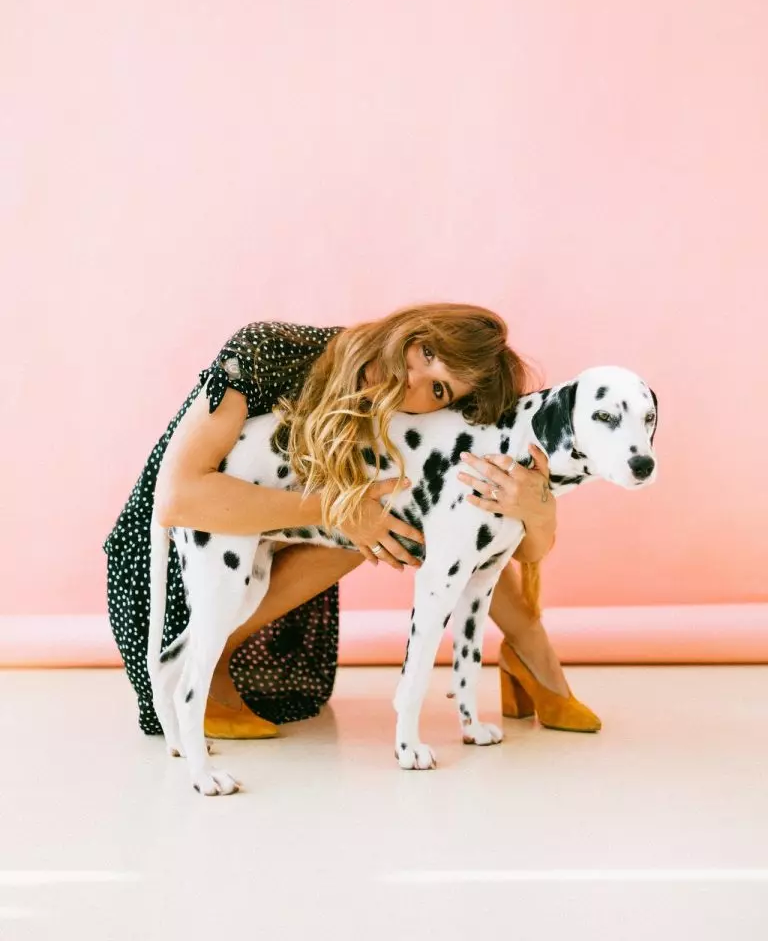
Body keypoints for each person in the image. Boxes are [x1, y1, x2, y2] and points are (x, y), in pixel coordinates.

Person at [104, 304, 600, 741]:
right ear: (414, 322)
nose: (413, 379)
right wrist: (340, 509)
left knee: (428, 515)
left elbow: (518, 549)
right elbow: (176, 501)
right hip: (169, 580)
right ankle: (203, 666)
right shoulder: (268, 349)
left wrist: (536, 505)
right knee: (379, 519)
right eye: (426, 352)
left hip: (265, 581)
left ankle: (530, 658)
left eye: (439, 388)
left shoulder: (402, 419)